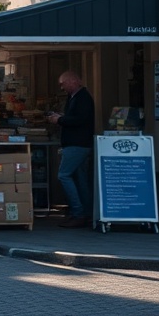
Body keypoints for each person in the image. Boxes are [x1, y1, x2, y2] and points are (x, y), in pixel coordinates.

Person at [47, 70, 96, 228]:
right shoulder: (75, 97)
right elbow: (76, 117)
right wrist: (62, 117)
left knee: (64, 175)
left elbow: (80, 119)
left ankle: (78, 212)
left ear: (73, 81)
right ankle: (86, 213)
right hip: (78, 143)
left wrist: (60, 119)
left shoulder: (82, 98)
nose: (62, 88)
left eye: (63, 84)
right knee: (81, 179)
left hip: (77, 144)